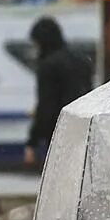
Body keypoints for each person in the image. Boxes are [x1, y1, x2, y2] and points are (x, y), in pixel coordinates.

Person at [25, 16, 93, 169]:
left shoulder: (48, 66)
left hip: (59, 132)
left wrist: (32, 141)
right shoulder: (81, 61)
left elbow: (46, 106)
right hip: (83, 129)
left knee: (60, 177)